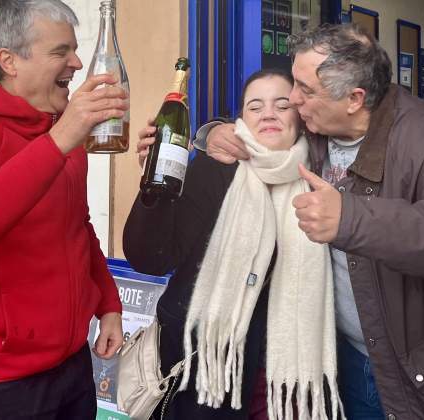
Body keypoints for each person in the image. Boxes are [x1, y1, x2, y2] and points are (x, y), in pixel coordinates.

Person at [200, 23, 424, 420]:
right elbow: (260, 134)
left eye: (306, 91)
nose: (293, 100)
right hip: (348, 360)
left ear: (354, 98)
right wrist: (212, 132)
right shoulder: (317, 125)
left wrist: (351, 218)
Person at [0, 1, 126, 419]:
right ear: (9, 61)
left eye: (74, 49)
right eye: (60, 52)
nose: (76, 62)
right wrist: (58, 142)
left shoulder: (59, 132)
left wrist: (108, 305)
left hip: (70, 363)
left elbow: (79, 227)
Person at [125, 68, 343, 420]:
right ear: (241, 119)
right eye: (255, 107)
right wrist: (155, 187)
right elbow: (151, 258)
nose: (268, 113)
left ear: (300, 117)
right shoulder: (215, 169)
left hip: (285, 377)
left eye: (281, 104)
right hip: (204, 371)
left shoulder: (323, 176)